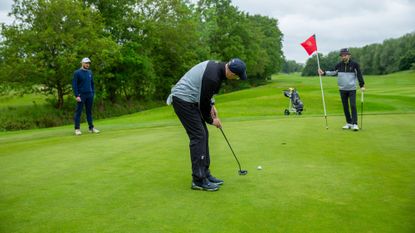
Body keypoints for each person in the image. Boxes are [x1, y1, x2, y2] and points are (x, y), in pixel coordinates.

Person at [166, 58, 247, 191]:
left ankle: (205, 173)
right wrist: (211, 120)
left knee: (203, 134)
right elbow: (203, 103)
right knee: (199, 136)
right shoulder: (213, 76)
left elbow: (207, 93)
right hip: (182, 99)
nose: (235, 79)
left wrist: (212, 105)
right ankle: (198, 180)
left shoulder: (219, 70)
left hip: (190, 100)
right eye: (237, 77)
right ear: (232, 73)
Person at [318, 48, 365, 131]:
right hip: (342, 89)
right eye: (342, 55)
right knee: (345, 107)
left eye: (345, 55)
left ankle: (355, 123)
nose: (343, 57)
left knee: (353, 105)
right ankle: (349, 123)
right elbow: (333, 72)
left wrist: (362, 85)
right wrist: (324, 73)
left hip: (352, 89)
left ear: (349, 55)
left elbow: (359, 75)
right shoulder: (339, 65)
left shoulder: (354, 65)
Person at [72, 57, 100, 135]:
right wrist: (77, 95)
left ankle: (91, 128)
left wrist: (93, 93)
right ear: (82, 63)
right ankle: (77, 129)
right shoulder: (77, 73)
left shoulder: (90, 72)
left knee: (89, 112)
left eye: (88, 63)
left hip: (89, 94)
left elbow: (92, 83)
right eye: (86, 63)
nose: (88, 65)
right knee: (78, 112)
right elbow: (74, 85)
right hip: (81, 95)